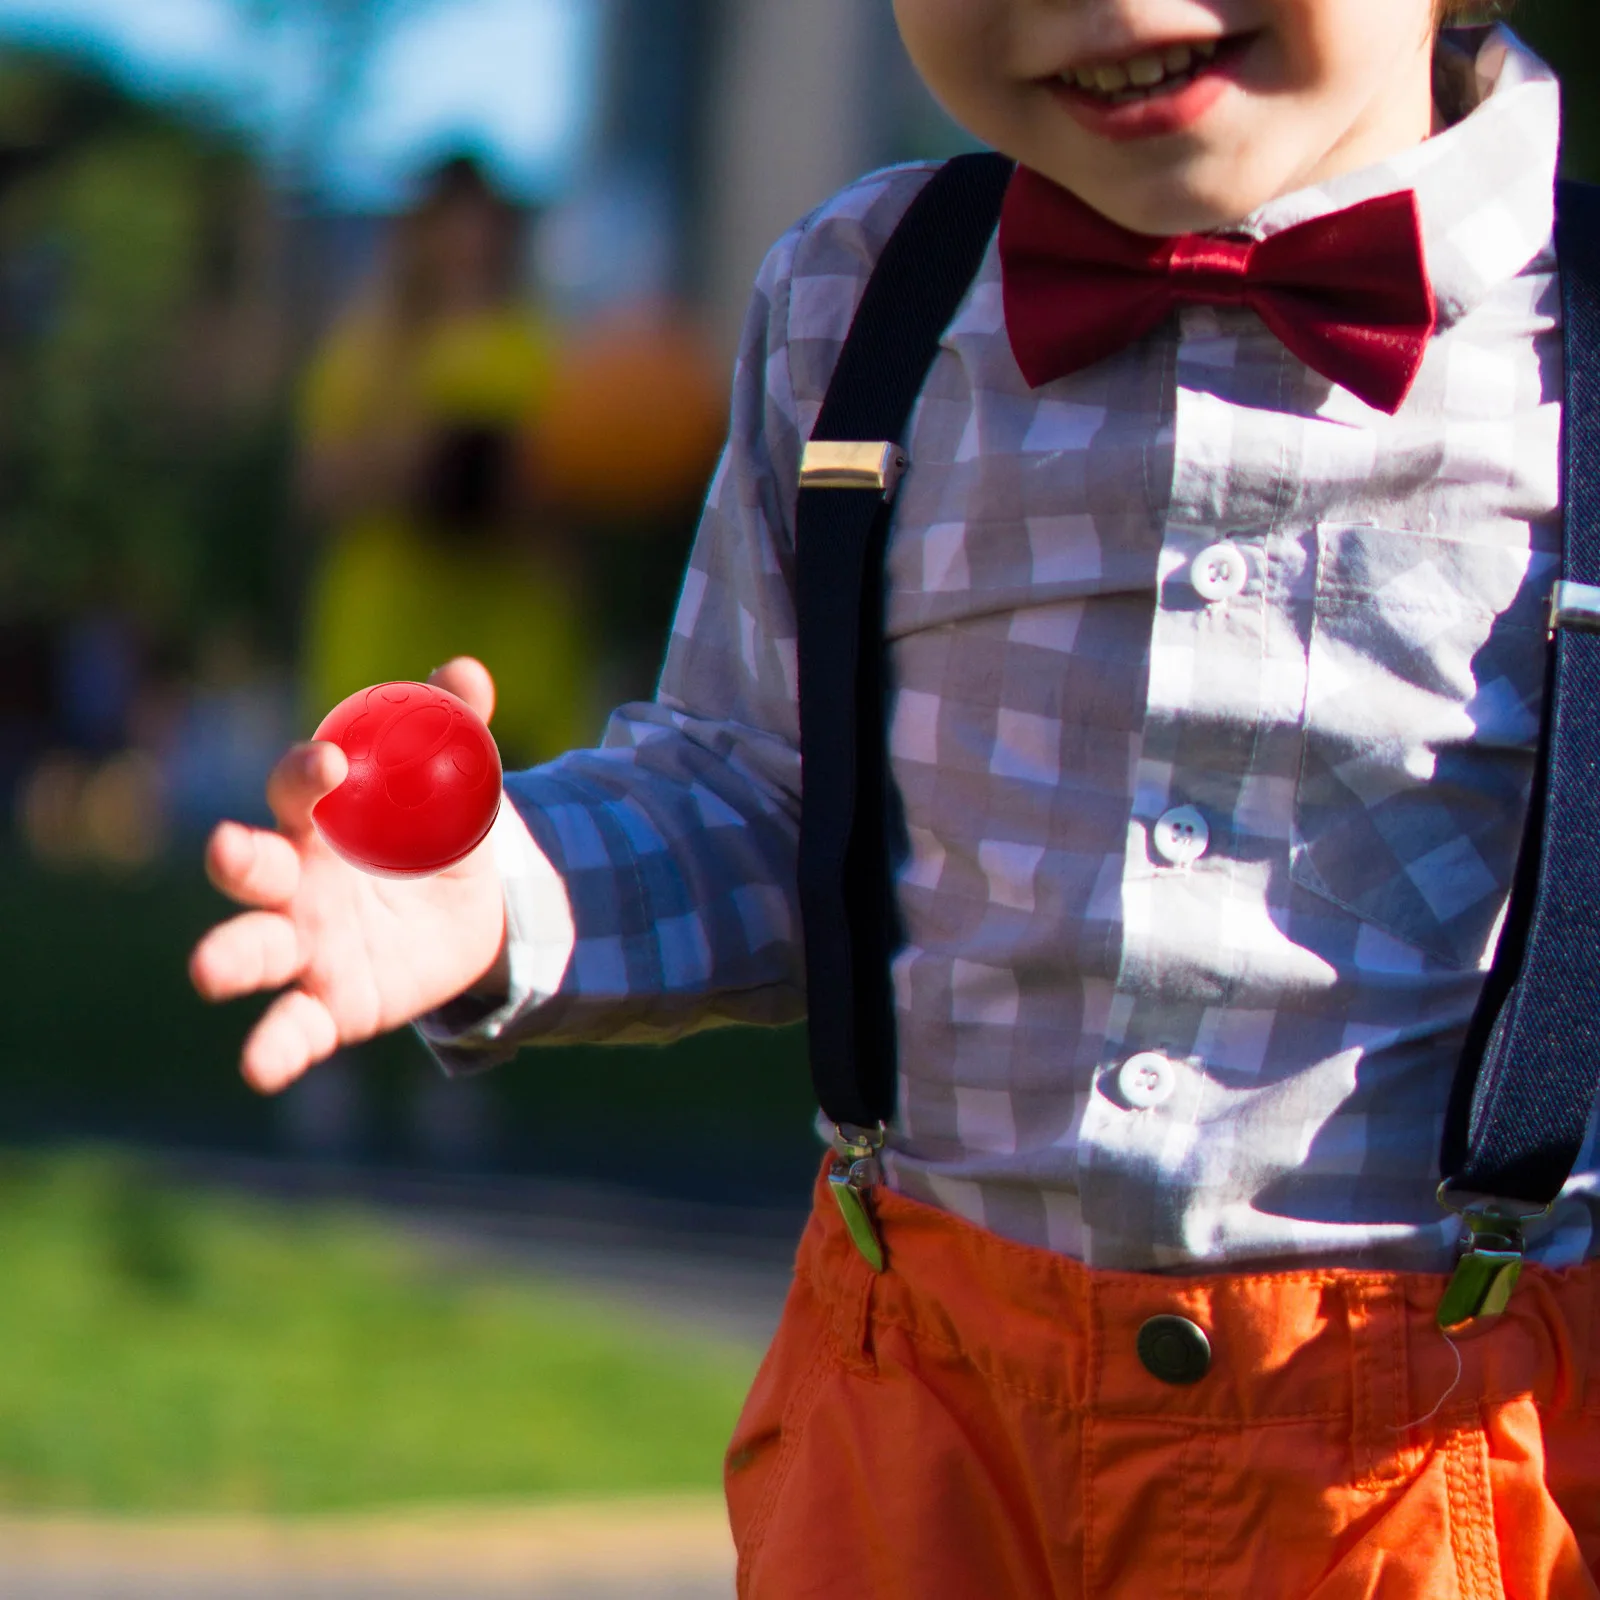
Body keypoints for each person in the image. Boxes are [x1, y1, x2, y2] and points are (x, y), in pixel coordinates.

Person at [191, 0, 1600, 1593]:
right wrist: (508, 889)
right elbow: (765, 790)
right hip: (919, 1426)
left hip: (1433, 1463)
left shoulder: (1580, 355)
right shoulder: (863, 309)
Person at [297, 154, 591, 769]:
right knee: (381, 845)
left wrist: (518, 488)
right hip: (391, 636)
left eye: (484, 225)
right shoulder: (373, 350)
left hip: (510, 645)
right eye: (452, 225)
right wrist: (426, 466)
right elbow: (321, 483)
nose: (469, 243)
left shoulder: (541, 349)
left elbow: (577, 493)